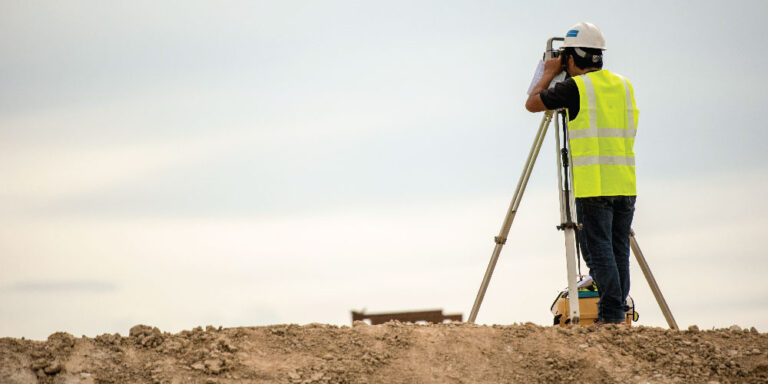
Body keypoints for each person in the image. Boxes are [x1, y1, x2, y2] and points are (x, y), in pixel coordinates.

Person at [525, 22, 639, 325]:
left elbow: (532, 103)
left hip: (593, 185)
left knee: (596, 250)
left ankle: (612, 314)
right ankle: (617, 311)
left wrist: (549, 73)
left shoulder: (576, 88)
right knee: (618, 251)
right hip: (625, 182)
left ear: (572, 57)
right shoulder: (624, 85)